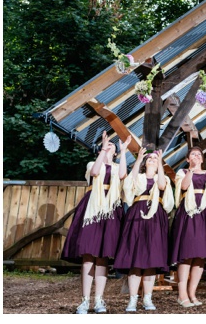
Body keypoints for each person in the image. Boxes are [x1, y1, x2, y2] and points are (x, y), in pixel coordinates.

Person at [62, 131, 126, 316]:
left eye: (112, 146)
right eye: (107, 145)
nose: (109, 147)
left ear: (115, 152)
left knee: (102, 257)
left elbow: (122, 175)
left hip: (110, 210)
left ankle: (99, 299)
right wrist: (102, 152)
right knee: (88, 255)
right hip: (92, 209)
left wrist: (122, 153)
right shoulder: (93, 163)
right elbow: (95, 172)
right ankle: (84, 300)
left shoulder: (116, 167)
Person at [112, 147, 174, 314]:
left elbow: (161, 185)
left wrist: (160, 164)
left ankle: (147, 297)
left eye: (155, 158)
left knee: (151, 258)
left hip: (156, 217)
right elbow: (127, 185)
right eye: (150, 158)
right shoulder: (138, 177)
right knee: (135, 258)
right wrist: (138, 159)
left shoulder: (164, 178)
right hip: (137, 214)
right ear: (145, 163)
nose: (152, 160)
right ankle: (133, 298)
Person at [170, 144, 206, 308]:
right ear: (188, 159)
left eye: (199, 154)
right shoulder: (182, 172)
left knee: (200, 253)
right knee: (187, 252)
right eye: (193, 154)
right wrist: (191, 170)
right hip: (188, 212)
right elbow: (184, 187)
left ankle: (192, 293)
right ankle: (182, 293)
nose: (197, 156)